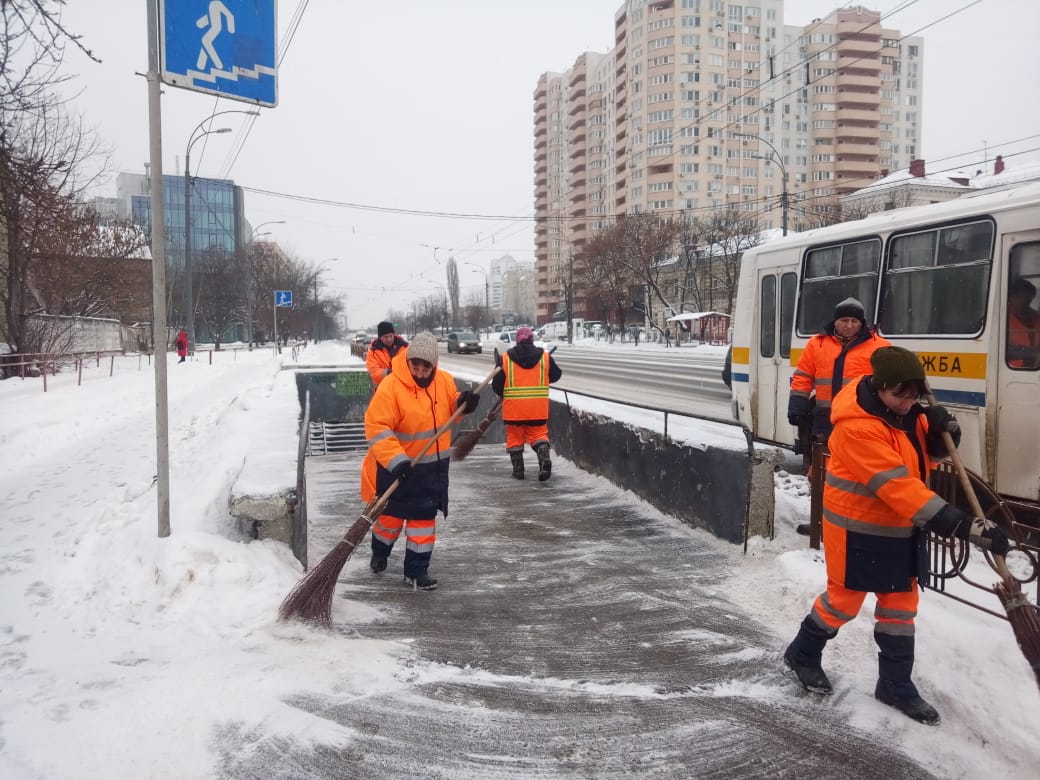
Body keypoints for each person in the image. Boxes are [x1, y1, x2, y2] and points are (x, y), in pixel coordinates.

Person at [782, 346, 1011, 725]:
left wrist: (942, 434)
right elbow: (900, 487)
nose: (907, 403)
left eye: (913, 395)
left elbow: (924, 462)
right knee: (843, 602)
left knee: (901, 608)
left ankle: (895, 684)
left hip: (901, 526)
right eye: (898, 395)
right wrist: (963, 525)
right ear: (880, 386)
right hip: (856, 530)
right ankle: (802, 654)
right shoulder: (856, 429)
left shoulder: (910, 416)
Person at [362, 331, 480, 591]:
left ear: (434, 365)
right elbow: (377, 427)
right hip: (399, 469)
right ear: (408, 361)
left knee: (423, 524)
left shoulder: (444, 381)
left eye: (426, 367)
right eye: (415, 365)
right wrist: (397, 461)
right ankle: (379, 553)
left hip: (431, 470)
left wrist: (463, 403)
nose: (420, 372)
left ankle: (416, 572)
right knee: (389, 522)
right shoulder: (390, 388)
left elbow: (449, 409)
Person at [787, 297, 891, 534]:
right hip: (825, 420)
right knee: (821, 472)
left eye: (854, 320)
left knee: (855, 474)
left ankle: (851, 523)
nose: (849, 325)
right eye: (844, 320)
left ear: (862, 323)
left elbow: (888, 383)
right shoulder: (818, 344)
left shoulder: (879, 347)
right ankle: (821, 521)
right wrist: (797, 406)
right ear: (836, 321)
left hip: (860, 422)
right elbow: (803, 376)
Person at [491, 326, 562, 481]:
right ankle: (543, 456)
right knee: (538, 435)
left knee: (515, 439)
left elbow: (496, 385)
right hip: (537, 409)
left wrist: (507, 392)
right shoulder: (544, 357)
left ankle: (518, 471)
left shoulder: (505, 359)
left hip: (514, 411)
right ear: (531, 339)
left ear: (517, 341)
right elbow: (556, 375)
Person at [1007, 277, 1040, 369]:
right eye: (1019, 297)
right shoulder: (1000, 318)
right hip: (1011, 370)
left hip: (1034, 368)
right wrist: (1032, 353)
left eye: (1028, 298)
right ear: (1010, 297)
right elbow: (999, 349)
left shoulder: (1037, 317)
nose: (1024, 302)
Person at [366, 321, 408, 387]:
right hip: (384, 388)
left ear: (394, 335)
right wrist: (388, 372)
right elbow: (373, 372)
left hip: (403, 387)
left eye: (391, 336)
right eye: (386, 337)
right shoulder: (373, 352)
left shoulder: (405, 347)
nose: (389, 339)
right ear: (380, 337)